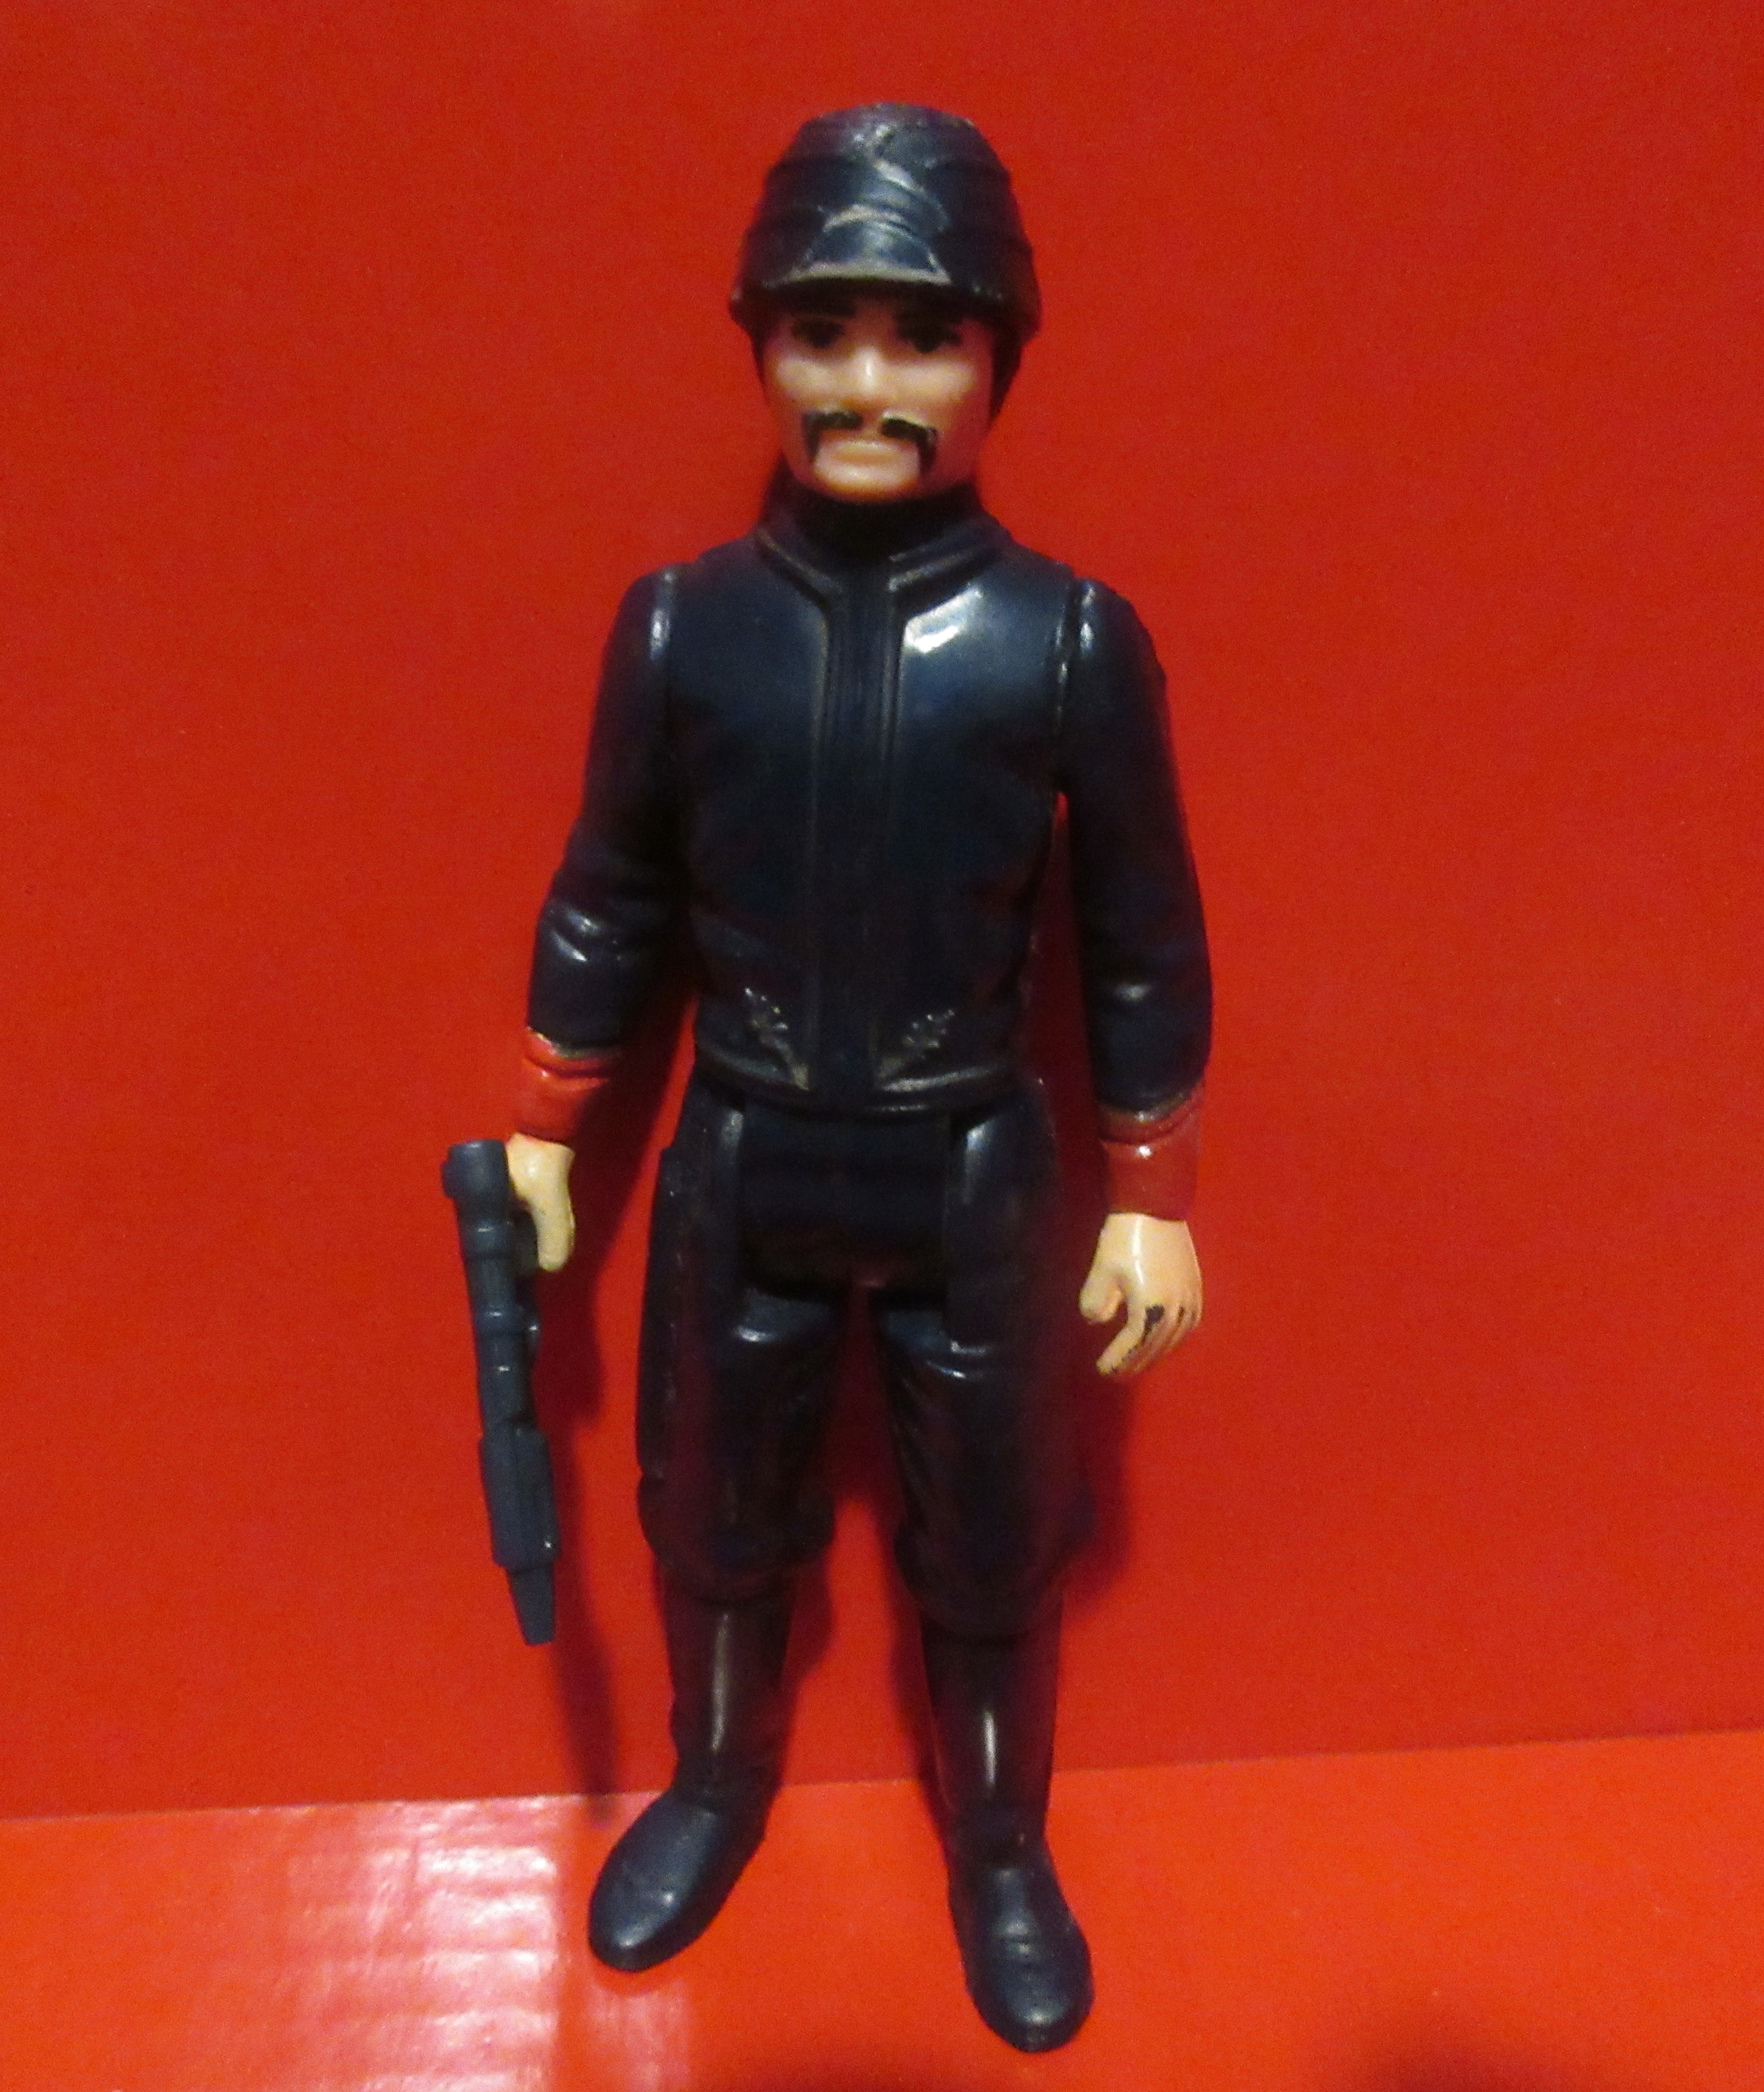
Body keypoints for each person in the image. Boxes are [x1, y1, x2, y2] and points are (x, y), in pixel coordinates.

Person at [500, 104, 1210, 2053]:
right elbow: (606, 896)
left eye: (924, 338)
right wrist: (547, 1131)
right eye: (822, 332)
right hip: (744, 1154)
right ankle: (716, 1784)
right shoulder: (682, 629)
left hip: (972, 1165)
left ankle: (1001, 1845)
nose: (867, 384)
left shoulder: (1069, 641)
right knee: (712, 1515)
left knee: (996, 1536)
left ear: (998, 362)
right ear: (762, 351)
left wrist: (1152, 1194)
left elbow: (1143, 940)